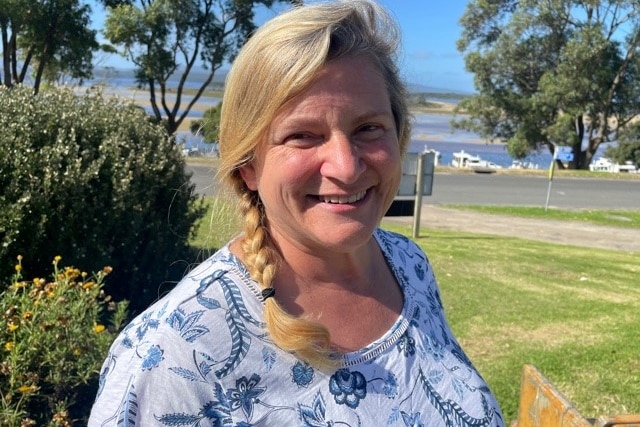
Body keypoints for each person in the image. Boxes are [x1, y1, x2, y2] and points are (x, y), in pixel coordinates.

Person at [89, 1, 505, 425]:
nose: (346, 166)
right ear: (248, 165)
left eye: (368, 129)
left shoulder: (410, 267)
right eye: (303, 135)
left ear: (399, 137)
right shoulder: (175, 354)